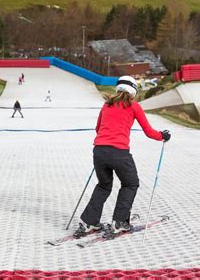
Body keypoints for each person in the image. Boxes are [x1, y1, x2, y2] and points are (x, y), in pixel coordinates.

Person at [73, 76, 171, 239]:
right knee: (130, 184)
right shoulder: (134, 106)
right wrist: (163, 135)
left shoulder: (107, 105)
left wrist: (105, 143)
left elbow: (98, 129)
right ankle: (119, 222)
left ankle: (89, 221)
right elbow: (148, 132)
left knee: (103, 186)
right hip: (119, 153)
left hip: (99, 151)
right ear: (133, 90)